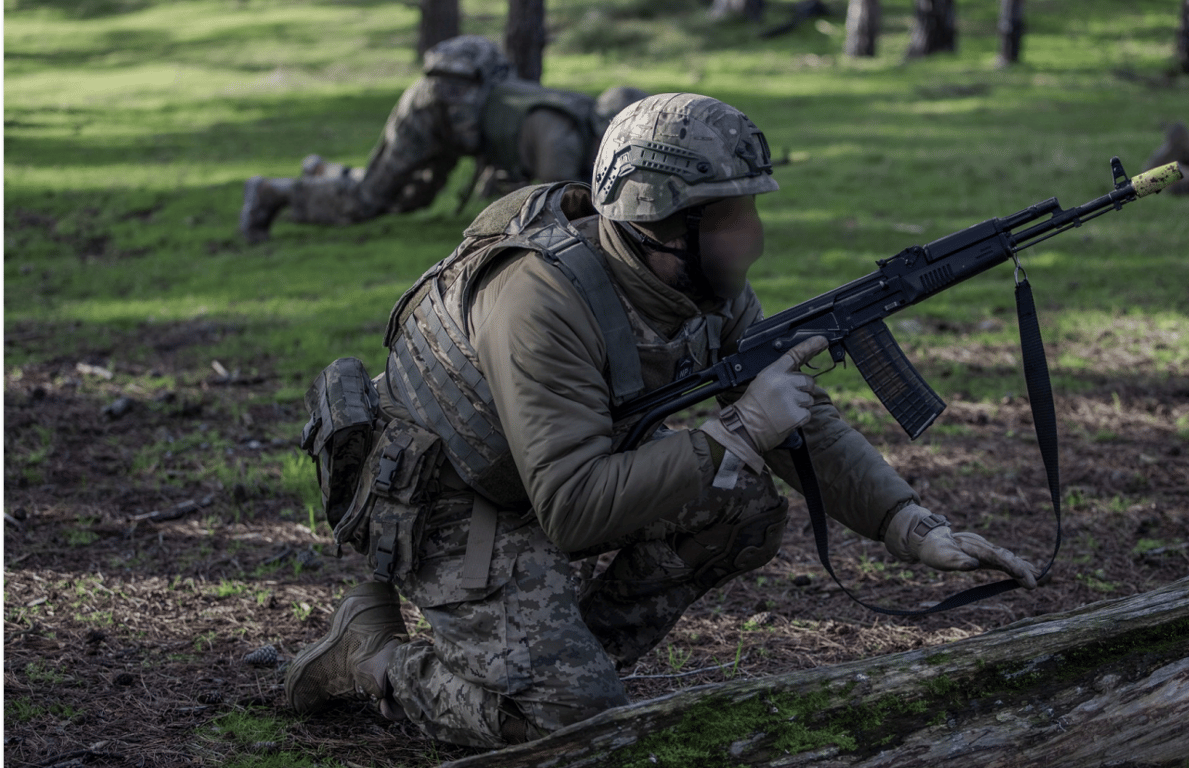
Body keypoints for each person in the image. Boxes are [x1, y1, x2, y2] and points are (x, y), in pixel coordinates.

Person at [284, 93, 1041, 748]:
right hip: (452, 501)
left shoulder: (695, 286)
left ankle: (563, 664)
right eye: (727, 218)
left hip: (551, 472)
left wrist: (907, 525)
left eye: (748, 211)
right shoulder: (538, 300)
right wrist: (738, 432)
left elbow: (800, 415)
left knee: (742, 508)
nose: (748, 237)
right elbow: (575, 508)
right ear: (660, 223)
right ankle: (375, 657)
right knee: (571, 725)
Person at [238, 35, 647, 243]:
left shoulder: (577, 117)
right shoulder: (562, 138)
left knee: (414, 198)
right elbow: (547, 210)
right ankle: (272, 193)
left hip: (461, 118)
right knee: (368, 201)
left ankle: (324, 171)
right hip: (435, 110)